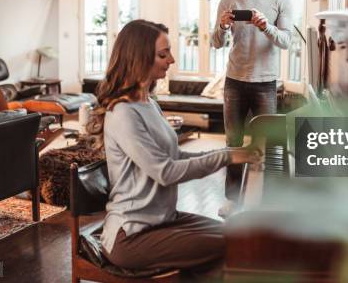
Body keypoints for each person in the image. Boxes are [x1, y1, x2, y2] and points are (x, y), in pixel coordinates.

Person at [88, 19, 258, 277]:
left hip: (163, 220)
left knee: (238, 235)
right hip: (132, 235)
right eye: (163, 54)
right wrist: (228, 156)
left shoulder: (149, 103)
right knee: (234, 244)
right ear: (139, 58)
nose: (172, 60)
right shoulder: (123, 112)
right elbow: (166, 172)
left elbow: (176, 156)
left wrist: (230, 156)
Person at [211, 0, 292, 203]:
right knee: (233, 142)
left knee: (267, 142)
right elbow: (215, 43)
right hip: (234, 81)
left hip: (265, 83)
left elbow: (286, 41)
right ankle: (232, 199)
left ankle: (266, 199)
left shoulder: (280, 0)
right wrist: (223, 27)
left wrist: (266, 26)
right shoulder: (228, 1)